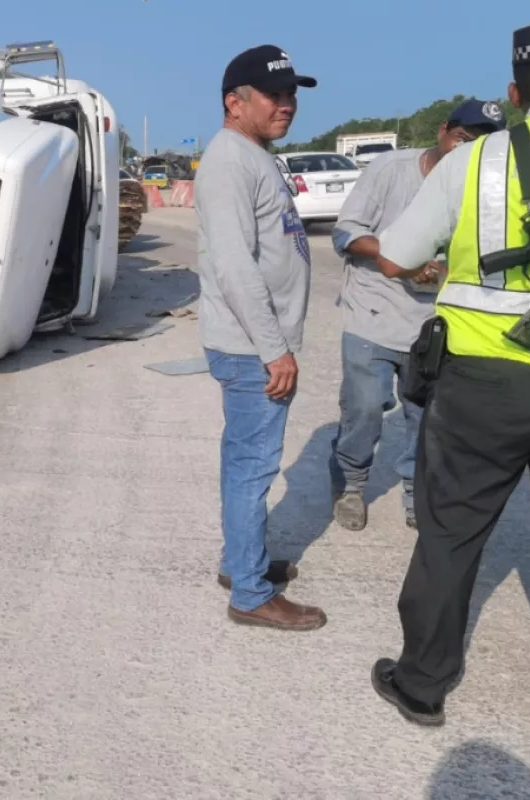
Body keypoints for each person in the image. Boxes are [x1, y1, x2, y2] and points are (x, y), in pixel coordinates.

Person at [360, 14, 530, 733]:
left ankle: (422, 686)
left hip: (481, 382)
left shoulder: (473, 160)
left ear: (515, 92)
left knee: (450, 532)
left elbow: (393, 255)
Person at [193, 45, 326, 631]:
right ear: (235, 102)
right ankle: (249, 593)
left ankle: (237, 561)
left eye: (292, 94)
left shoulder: (255, 155)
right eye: (275, 95)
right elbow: (235, 266)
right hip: (253, 350)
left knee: (243, 464)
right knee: (252, 469)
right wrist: (275, 348)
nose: (287, 105)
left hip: (256, 344)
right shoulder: (228, 162)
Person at [328, 99, 507, 532]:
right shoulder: (390, 170)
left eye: (478, 146)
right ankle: (350, 482)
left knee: (424, 417)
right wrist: (401, 257)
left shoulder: (483, 185)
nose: (466, 153)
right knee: (366, 407)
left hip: (434, 320)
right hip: (373, 307)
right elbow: (347, 232)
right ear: (443, 130)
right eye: (462, 140)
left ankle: (416, 492)